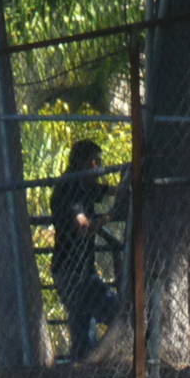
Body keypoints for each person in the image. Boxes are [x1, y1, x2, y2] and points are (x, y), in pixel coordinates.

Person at [50, 140, 120, 358]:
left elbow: (108, 190)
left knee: (84, 328)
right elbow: (83, 227)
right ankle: (85, 370)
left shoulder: (84, 186)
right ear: (82, 162)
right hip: (71, 271)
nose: (98, 167)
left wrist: (128, 183)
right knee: (113, 311)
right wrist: (108, 217)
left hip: (84, 269)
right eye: (94, 162)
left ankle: (83, 370)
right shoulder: (69, 188)